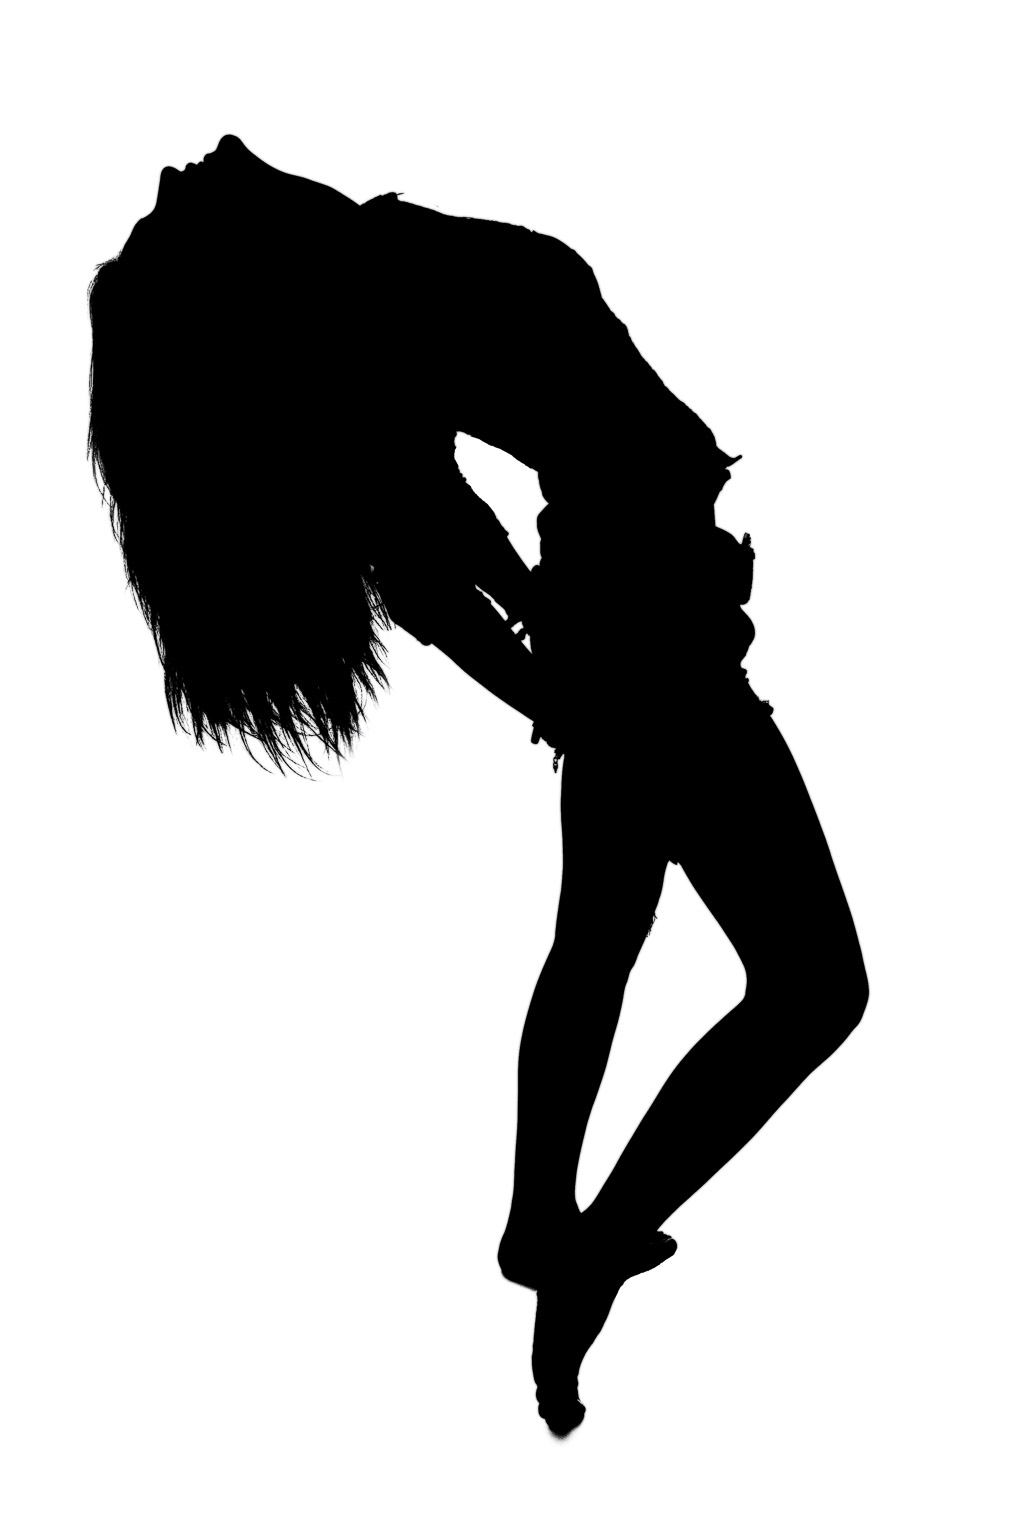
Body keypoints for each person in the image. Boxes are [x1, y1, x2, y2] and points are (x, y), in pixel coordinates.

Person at [88, 135, 868, 1436]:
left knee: (604, 941)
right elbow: (429, 579)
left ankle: (546, 1229)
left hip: (632, 629)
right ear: (254, 270)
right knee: (812, 987)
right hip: (654, 643)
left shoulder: (383, 268)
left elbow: (461, 550)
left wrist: (561, 651)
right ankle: (582, 1241)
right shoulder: (371, 325)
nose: (202, 156)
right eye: (198, 193)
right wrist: (567, 684)